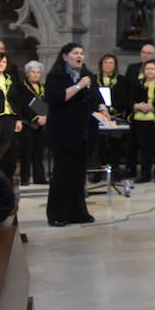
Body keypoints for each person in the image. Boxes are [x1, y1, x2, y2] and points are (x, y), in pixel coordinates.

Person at [45, 42, 103, 226]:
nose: (80, 56)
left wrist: (103, 108)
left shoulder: (88, 75)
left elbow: (96, 97)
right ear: (64, 56)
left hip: (83, 134)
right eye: (75, 53)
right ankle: (58, 214)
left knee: (78, 175)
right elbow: (56, 98)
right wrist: (79, 86)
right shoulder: (55, 77)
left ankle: (79, 212)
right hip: (62, 133)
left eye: (81, 53)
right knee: (63, 174)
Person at [123, 44, 155, 178]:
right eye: (143, 52)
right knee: (136, 146)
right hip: (137, 116)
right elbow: (129, 93)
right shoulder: (133, 71)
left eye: (149, 53)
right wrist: (136, 105)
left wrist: (153, 106)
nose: (145, 55)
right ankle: (134, 172)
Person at [129, 60, 155, 183]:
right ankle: (145, 174)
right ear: (144, 71)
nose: (149, 71)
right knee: (145, 148)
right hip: (141, 120)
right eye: (147, 69)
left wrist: (153, 107)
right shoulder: (138, 83)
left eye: (152, 69)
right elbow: (130, 98)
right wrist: (137, 105)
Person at [0, 52, 26, 178]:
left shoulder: (10, 79)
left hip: (10, 117)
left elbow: (17, 100)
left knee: (9, 146)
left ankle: (6, 176)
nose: (1, 64)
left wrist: (19, 119)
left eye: (4, 62)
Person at [18, 60, 48, 186]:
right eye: (33, 72)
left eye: (38, 72)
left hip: (42, 123)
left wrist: (46, 117)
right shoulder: (22, 87)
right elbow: (23, 106)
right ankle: (25, 178)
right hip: (27, 123)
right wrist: (36, 117)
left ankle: (40, 178)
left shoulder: (43, 88)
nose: (36, 74)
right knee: (27, 152)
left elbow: (47, 104)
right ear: (27, 73)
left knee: (39, 152)